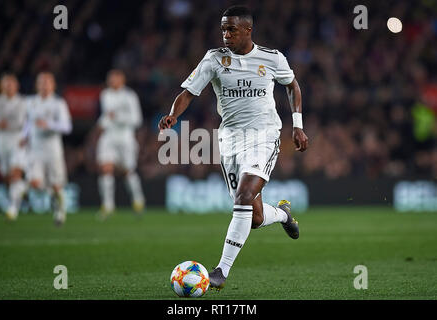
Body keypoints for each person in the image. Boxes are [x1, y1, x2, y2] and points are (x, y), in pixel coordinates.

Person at [158, 5, 308, 290]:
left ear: (248, 30)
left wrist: (297, 125)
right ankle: (284, 214)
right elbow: (188, 92)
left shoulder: (272, 58)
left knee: (243, 197)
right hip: (230, 140)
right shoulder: (214, 59)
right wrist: (174, 114)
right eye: (223, 29)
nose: (226, 35)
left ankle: (221, 271)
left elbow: (292, 85)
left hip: (264, 135)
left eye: (232, 29)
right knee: (255, 217)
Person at [22, 72, 72, 226]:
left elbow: (67, 127)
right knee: (35, 183)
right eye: (41, 82)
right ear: (37, 85)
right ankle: (53, 194)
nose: (44, 85)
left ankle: (59, 213)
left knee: (57, 185)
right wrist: (23, 136)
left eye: (47, 82)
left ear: (53, 85)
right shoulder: (29, 102)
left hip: (53, 149)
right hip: (35, 149)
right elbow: (28, 123)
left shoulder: (58, 103)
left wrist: (49, 125)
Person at [96, 69, 145, 219]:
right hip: (109, 136)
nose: (111, 81)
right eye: (110, 78)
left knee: (128, 171)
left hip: (125, 137)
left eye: (114, 78)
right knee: (106, 168)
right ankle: (108, 205)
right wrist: (102, 123)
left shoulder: (130, 96)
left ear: (122, 80)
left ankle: (138, 201)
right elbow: (106, 116)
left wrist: (117, 117)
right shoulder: (105, 95)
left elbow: (137, 120)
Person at [0, 73, 28, 221]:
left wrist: (26, 136)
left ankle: (13, 209)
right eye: (6, 84)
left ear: (17, 86)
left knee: (15, 172)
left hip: (18, 140)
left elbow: (29, 121)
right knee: (7, 177)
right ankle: (22, 188)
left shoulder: (24, 102)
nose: (9, 86)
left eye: (11, 84)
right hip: (2, 141)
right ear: (1, 86)